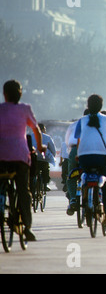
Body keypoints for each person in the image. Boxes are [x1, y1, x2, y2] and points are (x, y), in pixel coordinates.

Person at [0, 80, 46, 241]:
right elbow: (36, 130)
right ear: (20, 94)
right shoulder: (24, 109)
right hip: (19, 156)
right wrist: (40, 148)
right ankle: (26, 226)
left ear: (4, 94)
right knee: (23, 190)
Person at [74, 94, 106, 228]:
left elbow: (78, 139)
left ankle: (85, 196)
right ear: (101, 106)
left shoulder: (82, 120)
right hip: (101, 156)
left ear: (87, 106)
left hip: (84, 156)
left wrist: (79, 154)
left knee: (84, 176)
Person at [31, 123, 56, 193]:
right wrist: (52, 157)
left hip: (33, 159)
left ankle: (31, 184)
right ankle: (45, 184)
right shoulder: (47, 137)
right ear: (42, 129)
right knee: (45, 169)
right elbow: (53, 150)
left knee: (32, 172)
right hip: (43, 159)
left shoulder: (30, 136)